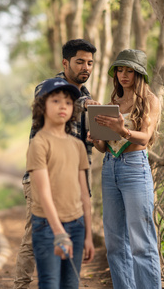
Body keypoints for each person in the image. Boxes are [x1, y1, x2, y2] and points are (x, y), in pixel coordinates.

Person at [14, 39, 99, 289]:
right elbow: (49, 101)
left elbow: (85, 142)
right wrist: (85, 106)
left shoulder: (87, 96)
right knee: (34, 240)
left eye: (90, 63)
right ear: (66, 62)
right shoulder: (48, 87)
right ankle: (20, 285)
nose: (86, 67)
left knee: (73, 235)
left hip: (76, 179)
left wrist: (97, 136)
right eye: (80, 62)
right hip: (45, 176)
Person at [89, 49, 162, 289]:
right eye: (120, 70)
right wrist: (96, 138)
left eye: (129, 70)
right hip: (110, 169)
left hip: (134, 169)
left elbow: (145, 138)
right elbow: (105, 147)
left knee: (141, 242)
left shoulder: (150, 100)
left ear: (139, 73)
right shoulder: (113, 103)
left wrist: (123, 130)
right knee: (115, 243)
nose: (123, 75)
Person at [26, 78, 95, 288]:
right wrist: (58, 233)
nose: (63, 106)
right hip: (47, 226)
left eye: (67, 102)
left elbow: (85, 193)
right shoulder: (39, 143)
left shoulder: (77, 145)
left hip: (76, 225)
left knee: (70, 284)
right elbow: (44, 193)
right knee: (50, 283)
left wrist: (88, 235)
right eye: (55, 100)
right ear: (42, 106)